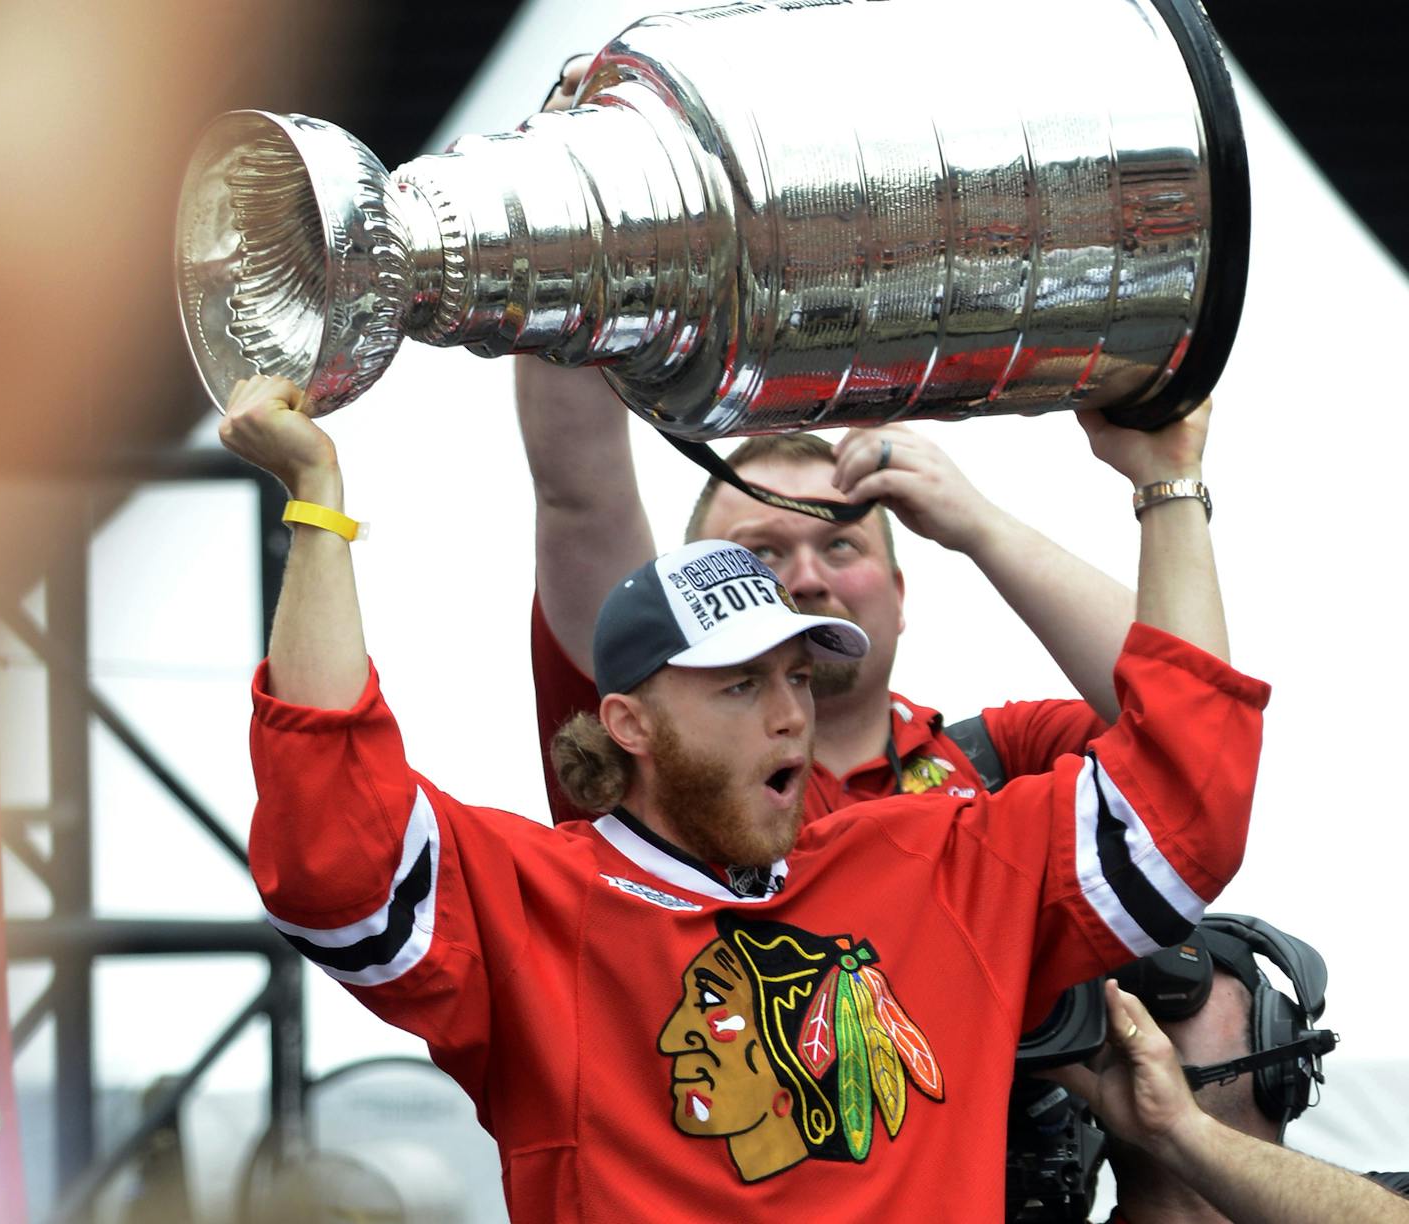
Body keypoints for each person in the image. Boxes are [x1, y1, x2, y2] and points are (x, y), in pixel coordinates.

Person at [223, 372, 1266, 1220]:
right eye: (737, 682)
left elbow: (1181, 800)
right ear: (624, 721)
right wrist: (316, 507)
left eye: (797, 676)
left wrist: (1166, 481)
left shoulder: (938, 854)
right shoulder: (538, 901)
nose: (787, 714)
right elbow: (335, 852)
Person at [522, 63, 1140, 828]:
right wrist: (567, 196)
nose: (806, 579)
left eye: (841, 547)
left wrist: (982, 527)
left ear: (901, 593)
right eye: (761, 558)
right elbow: (579, 495)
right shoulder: (657, 764)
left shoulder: (1004, 762)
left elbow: (1179, 709)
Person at [1052, 956, 1409, 1223]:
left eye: (1178, 994)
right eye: (1117, 996)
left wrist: (1180, 1127)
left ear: (1275, 1041)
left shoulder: (1388, 1199)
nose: (1135, 1013)